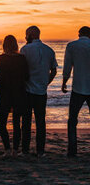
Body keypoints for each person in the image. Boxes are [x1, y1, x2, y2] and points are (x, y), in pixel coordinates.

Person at [20, 26, 57, 157]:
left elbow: (21, 70)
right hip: (41, 90)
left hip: (28, 90)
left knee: (26, 121)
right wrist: (46, 82)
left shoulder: (25, 49)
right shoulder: (49, 50)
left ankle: (25, 150)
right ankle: (40, 151)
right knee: (41, 122)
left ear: (30, 35)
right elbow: (54, 70)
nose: (25, 37)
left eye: (26, 35)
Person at [0, 35, 29, 158]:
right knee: (16, 123)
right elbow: (26, 76)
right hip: (19, 93)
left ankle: (7, 149)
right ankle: (15, 150)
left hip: (5, 93)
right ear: (16, 45)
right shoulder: (22, 58)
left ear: (4, 45)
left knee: (2, 122)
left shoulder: (1, 58)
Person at [62, 26, 90, 157]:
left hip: (78, 87)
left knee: (72, 119)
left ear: (79, 34)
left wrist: (64, 82)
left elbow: (68, 66)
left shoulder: (72, 46)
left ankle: (72, 150)